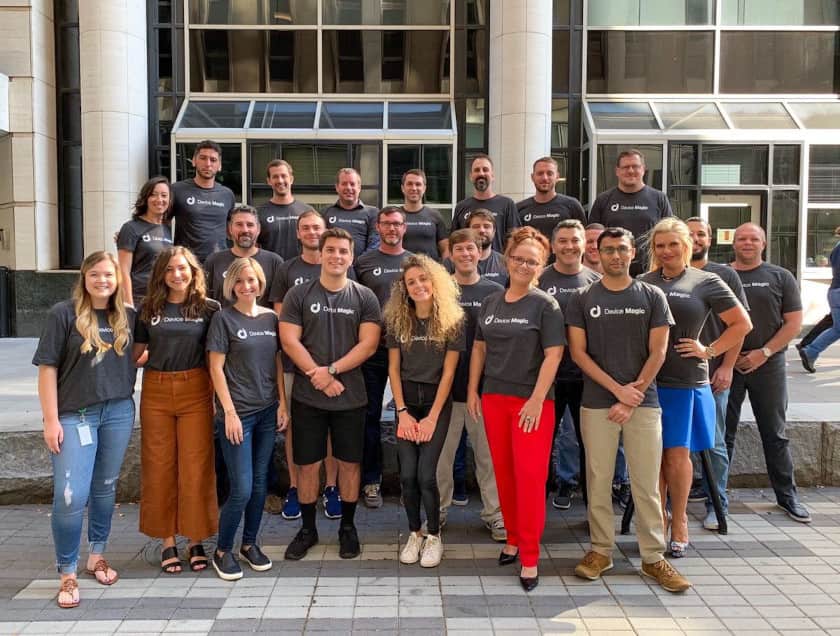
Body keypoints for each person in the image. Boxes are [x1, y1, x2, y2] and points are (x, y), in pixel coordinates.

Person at [565, 228, 691, 593]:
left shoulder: (652, 296)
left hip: (643, 404)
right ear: (597, 254)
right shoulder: (582, 297)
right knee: (599, 479)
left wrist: (630, 394)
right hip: (598, 403)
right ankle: (600, 550)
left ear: (632, 253)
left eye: (622, 249)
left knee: (647, 483)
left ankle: (653, 557)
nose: (616, 256)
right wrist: (616, 392)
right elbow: (578, 354)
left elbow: (659, 352)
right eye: (608, 250)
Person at [639, 219, 750, 557]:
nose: (666, 251)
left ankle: (680, 520)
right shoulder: (642, 282)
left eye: (673, 244)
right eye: (660, 246)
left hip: (685, 380)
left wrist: (709, 350)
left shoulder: (706, 281)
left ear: (686, 245)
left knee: (676, 454)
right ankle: (656, 519)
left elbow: (742, 323)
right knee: (649, 457)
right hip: (648, 381)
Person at [33, 252, 137, 608]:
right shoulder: (63, 314)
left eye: (108, 275)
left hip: (119, 412)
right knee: (70, 495)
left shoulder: (127, 317)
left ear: (117, 279)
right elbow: (47, 368)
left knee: (105, 487)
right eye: (95, 274)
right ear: (84, 277)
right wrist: (50, 420)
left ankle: (97, 554)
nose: (103, 281)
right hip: (74, 416)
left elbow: (149, 349)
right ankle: (67, 571)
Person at [467, 227, 565, 592]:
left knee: (529, 478)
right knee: (503, 473)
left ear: (542, 265)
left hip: (531, 404)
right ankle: (511, 537)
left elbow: (554, 355)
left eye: (532, 261)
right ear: (507, 260)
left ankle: (529, 556)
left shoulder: (546, 304)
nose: (524, 265)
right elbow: (479, 348)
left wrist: (537, 400)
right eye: (519, 258)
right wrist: (474, 390)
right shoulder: (491, 302)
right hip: (494, 398)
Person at [280, 228, 381, 561]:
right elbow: (289, 341)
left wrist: (332, 371)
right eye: (331, 250)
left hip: (350, 397)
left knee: (349, 465)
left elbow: (368, 344)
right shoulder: (299, 295)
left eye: (343, 252)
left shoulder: (365, 297)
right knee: (308, 465)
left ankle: (347, 528)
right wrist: (318, 377)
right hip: (309, 398)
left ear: (351, 258)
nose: (337, 256)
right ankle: (307, 530)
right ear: (320, 254)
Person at [133, 246, 220, 574]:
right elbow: (135, 354)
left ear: (193, 271)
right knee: (159, 465)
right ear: (161, 274)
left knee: (196, 465)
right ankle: (168, 541)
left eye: (182, 268)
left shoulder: (208, 308)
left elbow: (216, 356)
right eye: (170, 270)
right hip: (156, 389)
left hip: (195, 388)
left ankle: (195, 539)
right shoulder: (149, 308)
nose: (177, 275)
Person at [206, 258, 288, 580]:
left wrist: (282, 403)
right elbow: (215, 368)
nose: (246, 286)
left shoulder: (270, 318)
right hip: (238, 415)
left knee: (258, 485)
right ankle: (223, 549)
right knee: (240, 487)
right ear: (231, 286)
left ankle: (249, 544)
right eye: (240, 281)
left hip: (268, 412)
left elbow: (278, 363)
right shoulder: (223, 320)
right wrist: (228, 412)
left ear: (260, 282)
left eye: (251, 280)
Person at [725, 223, 811, 523]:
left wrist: (764, 353)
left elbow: (793, 324)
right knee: (723, 433)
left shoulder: (780, 276)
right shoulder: (722, 275)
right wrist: (728, 356)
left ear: (763, 243)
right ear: (732, 243)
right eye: (741, 239)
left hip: (768, 364)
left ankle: (787, 496)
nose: (747, 243)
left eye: (753, 239)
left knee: (774, 433)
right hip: (728, 365)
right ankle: (715, 495)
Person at [385, 255, 464, 567]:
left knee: (426, 476)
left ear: (436, 282)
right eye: (411, 282)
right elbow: (393, 369)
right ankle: (414, 533)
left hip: (436, 404)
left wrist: (431, 417)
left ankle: (434, 536)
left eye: (423, 279)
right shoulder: (396, 320)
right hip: (406, 403)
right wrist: (402, 412)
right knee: (406, 476)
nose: (418, 286)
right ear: (404, 289)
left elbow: (449, 374)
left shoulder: (453, 320)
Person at [268, 210, 341, 521]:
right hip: (294, 366)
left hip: (335, 364)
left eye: (317, 228)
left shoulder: (338, 266)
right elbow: (285, 324)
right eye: (306, 228)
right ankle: (296, 488)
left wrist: (329, 369)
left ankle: (332, 488)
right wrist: (313, 369)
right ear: (298, 234)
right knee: (295, 429)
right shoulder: (287, 270)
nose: (312, 232)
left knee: (332, 429)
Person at [435, 229, 506, 541]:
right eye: (459, 249)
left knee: (489, 457)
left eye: (471, 249)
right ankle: (436, 511)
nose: (465, 254)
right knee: (441, 458)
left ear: (481, 253)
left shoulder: (495, 290)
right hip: (446, 390)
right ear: (450, 254)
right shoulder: (440, 289)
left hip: (484, 389)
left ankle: (495, 515)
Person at [686, 217, 750, 531]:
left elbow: (739, 326)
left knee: (713, 442)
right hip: (675, 377)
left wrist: (725, 366)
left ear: (711, 238)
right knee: (676, 445)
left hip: (713, 375)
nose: (695, 238)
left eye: (701, 234)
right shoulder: (667, 275)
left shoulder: (724, 275)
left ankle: (716, 504)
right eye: (690, 233)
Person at [537, 220, 601, 508]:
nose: (569, 246)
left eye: (575, 240)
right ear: (553, 246)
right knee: (540, 446)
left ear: (585, 244)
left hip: (585, 379)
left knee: (591, 448)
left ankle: (592, 511)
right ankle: (535, 510)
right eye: (562, 240)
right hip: (545, 380)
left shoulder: (596, 282)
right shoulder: (539, 279)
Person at [355, 207, 413, 508]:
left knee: (410, 414)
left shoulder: (414, 263)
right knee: (370, 419)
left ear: (405, 228)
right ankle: (371, 482)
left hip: (409, 352)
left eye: (397, 224)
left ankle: (409, 483)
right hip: (373, 352)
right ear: (378, 227)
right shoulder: (363, 262)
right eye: (387, 223)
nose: (392, 228)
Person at [588, 150, 672, 276]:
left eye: (635, 166)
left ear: (643, 169)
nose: (631, 171)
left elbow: (670, 234)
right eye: (626, 167)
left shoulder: (659, 198)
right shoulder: (603, 200)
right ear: (617, 171)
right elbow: (592, 238)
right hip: (611, 273)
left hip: (651, 273)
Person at [204, 204, 284, 310]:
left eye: (250, 225)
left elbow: (280, 307)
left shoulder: (274, 262)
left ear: (258, 229)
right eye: (239, 224)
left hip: (263, 325)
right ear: (230, 229)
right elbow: (205, 301)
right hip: (223, 325)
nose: (245, 230)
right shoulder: (213, 261)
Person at [171, 140, 236, 263]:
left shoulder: (227, 194)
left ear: (219, 165)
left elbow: (230, 230)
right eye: (203, 158)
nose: (208, 164)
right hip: (186, 263)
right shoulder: (177, 190)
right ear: (194, 161)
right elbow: (163, 223)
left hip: (219, 262)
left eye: (213, 160)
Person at [116, 176, 174, 307]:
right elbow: (123, 270)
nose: (159, 200)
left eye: (164, 195)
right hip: (139, 299)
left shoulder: (167, 229)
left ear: (169, 200)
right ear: (146, 198)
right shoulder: (131, 228)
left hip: (162, 297)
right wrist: (128, 305)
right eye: (153, 195)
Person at [451, 155, 521, 252]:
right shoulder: (461, 207)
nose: (481, 173)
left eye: (485, 169)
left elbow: (515, 240)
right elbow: (455, 240)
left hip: (498, 265)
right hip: (468, 264)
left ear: (492, 176)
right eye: (477, 170)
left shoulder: (507, 204)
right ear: (471, 176)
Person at [799, 226, 840, 372]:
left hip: (835, 290)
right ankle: (811, 351)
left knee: (837, 329)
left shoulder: (837, 247)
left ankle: (811, 351)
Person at [257, 159, 315, 261]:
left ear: (291, 179)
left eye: (283, 176)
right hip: (271, 272)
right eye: (275, 177)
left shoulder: (307, 212)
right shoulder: (259, 213)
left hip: (300, 272)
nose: (280, 180)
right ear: (269, 181)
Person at [517, 157, 586, 242]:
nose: (545, 178)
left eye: (549, 173)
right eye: (540, 173)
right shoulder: (519, 208)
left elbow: (584, 238)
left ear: (557, 176)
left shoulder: (572, 205)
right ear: (532, 177)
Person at [444, 209, 509, 287]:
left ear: (494, 231)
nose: (482, 230)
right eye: (476, 226)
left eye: (486, 226)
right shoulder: (450, 263)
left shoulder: (504, 263)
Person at [323, 168, 379, 258]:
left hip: (362, 268)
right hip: (334, 265)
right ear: (337, 187)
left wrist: (358, 264)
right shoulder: (326, 212)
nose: (348, 188)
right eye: (344, 184)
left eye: (352, 184)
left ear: (359, 188)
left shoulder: (373, 213)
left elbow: (375, 244)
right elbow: (321, 243)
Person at [400, 169, 449, 260]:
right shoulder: (396, 216)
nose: (414, 188)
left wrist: (445, 269)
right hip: (402, 271)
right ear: (403, 188)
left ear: (424, 188)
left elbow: (445, 248)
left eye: (418, 184)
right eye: (409, 184)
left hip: (430, 271)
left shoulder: (435, 215)